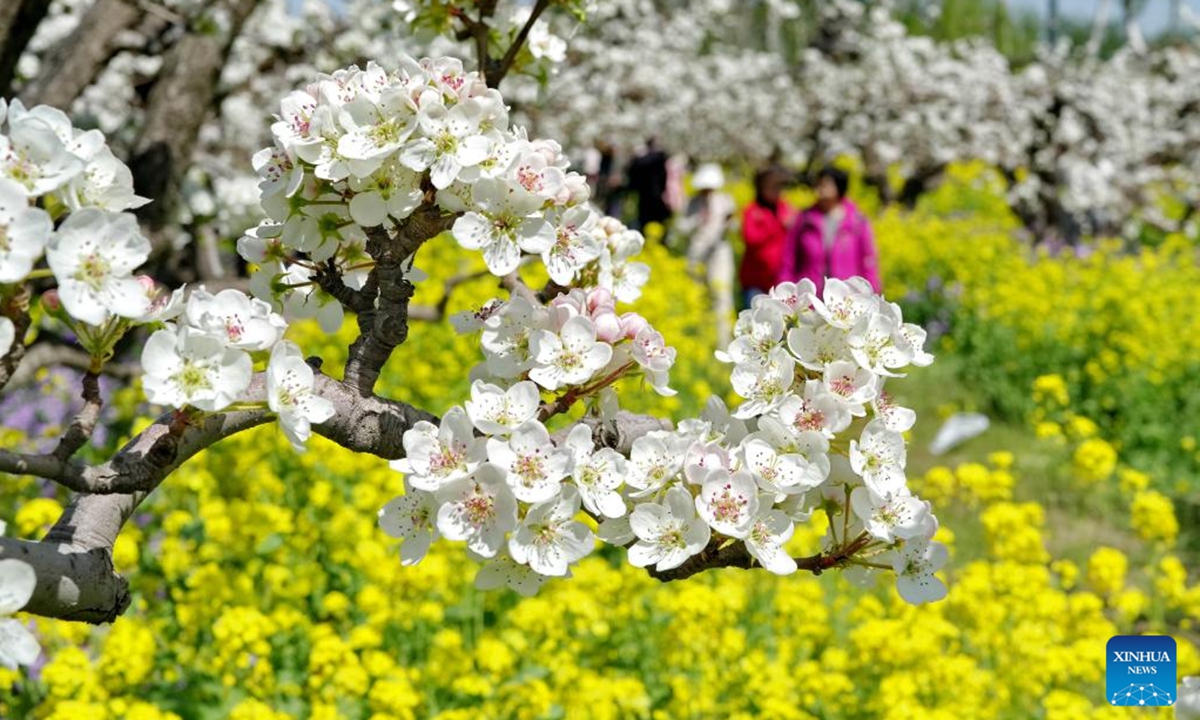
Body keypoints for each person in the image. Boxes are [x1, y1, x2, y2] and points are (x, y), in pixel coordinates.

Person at [778, 166, 881, 295]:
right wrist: (785, 290)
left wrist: (872, 292)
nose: (820, 188)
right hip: (810, 296)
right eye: (818, 183)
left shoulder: (857, 222)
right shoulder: (804, 219)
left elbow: (868, 260)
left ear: (839, 187)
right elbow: (789, 258)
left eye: (825, 184)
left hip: (845, 299)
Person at [679, 163, 737, 347]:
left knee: (721, 295)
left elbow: (734, 227)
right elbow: (682, 227)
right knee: (697, 296)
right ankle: (700, 340)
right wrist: (696, 221)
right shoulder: (692, 202)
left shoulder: (726, 200)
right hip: (696, 254)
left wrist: (729, 223)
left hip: (719, 252)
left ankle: (723, 341)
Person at [739, 167, 793, 306]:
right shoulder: (752, 210)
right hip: (755, 281)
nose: (777, 192)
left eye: (779, 187)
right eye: (772, 187)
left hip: (780, 281)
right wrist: (777, 225)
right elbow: (750, 238)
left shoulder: (785, 208)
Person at [623, 137, 671, 231]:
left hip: (644, 194)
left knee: (644, 219)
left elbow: (631, 171)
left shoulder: (642, 159)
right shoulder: (661, 158)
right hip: (656, 194)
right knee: (655, 220)